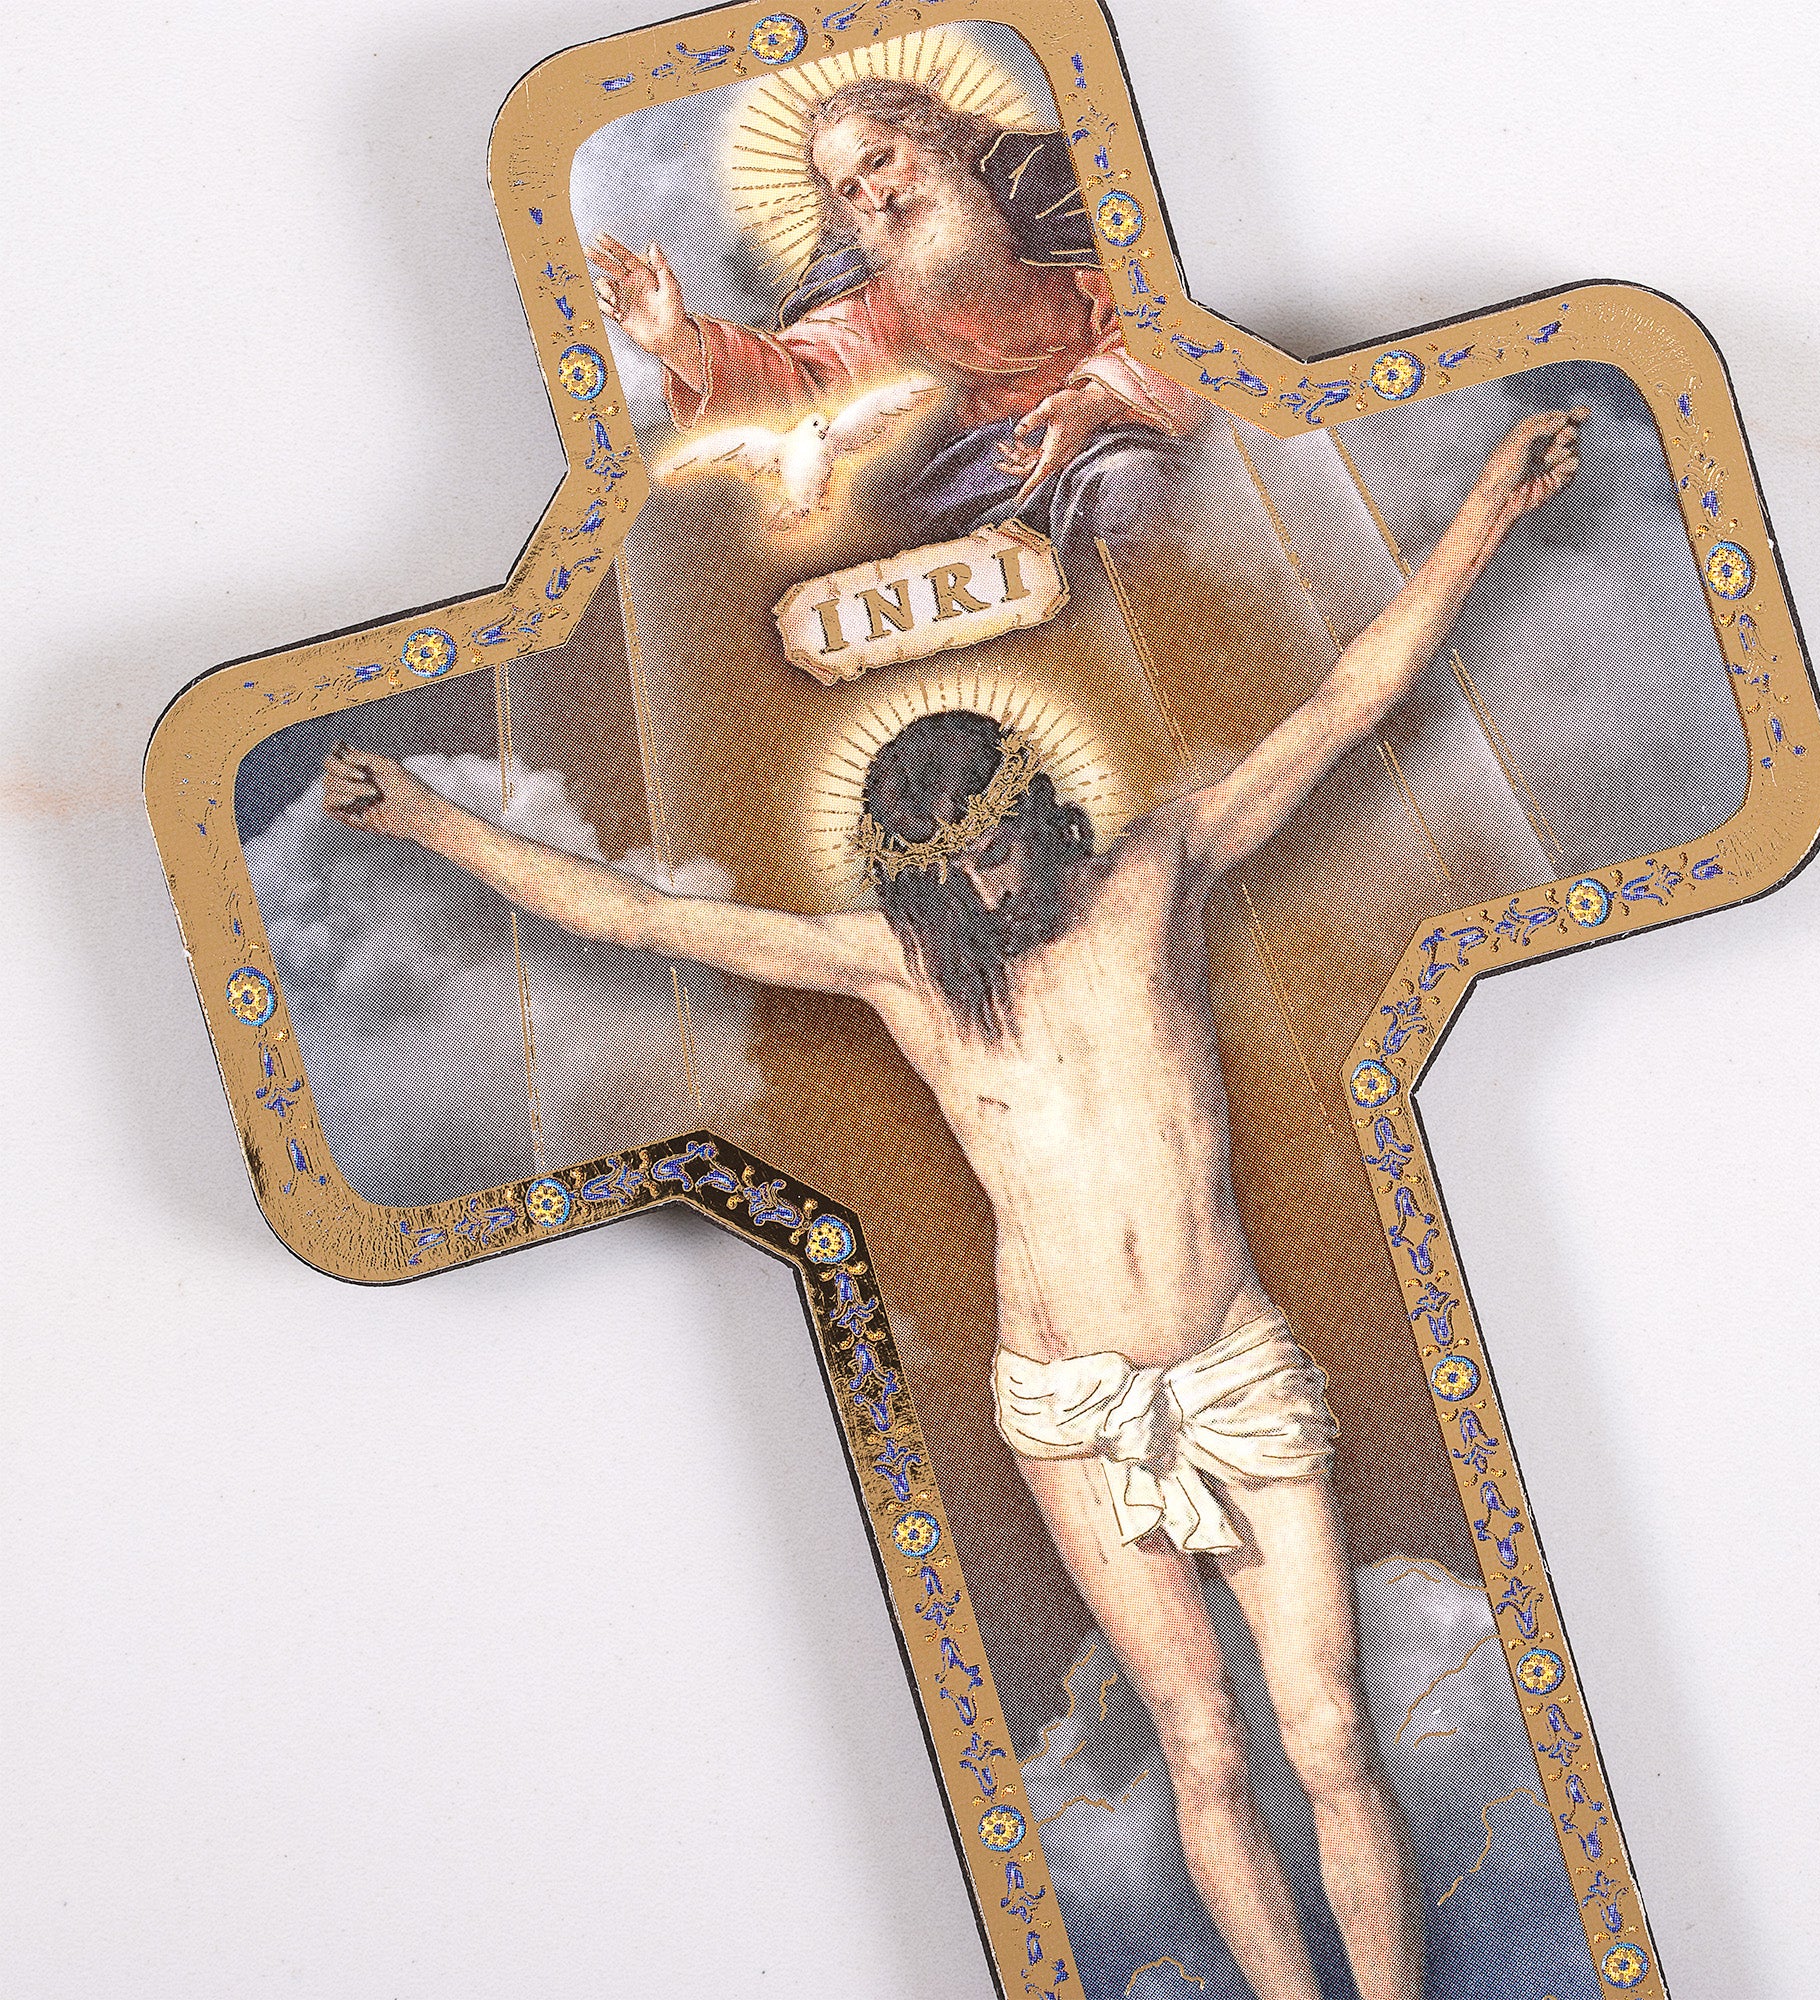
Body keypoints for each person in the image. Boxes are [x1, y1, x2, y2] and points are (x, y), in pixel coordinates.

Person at [323, 405, 1590, 2000]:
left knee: (1331, 1732)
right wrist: (427, 817)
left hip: (1229, 1362)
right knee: (1202, 1741)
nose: (993, 885)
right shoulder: (902, 972)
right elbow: (639, 921)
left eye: (1000, 845)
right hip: (1064, 1398)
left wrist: (1487, 510)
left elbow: (1348, 703)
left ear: (1033, 811)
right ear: (918, 875)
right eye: (958, 868)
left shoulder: (1156, 875)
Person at [586, 75, 1208, 549]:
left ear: (943, 140)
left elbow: (1186, 345)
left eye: (881, 160)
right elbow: (792, 384)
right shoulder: (870, 314)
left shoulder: (1083, 247)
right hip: (980, 508)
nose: (878, 197)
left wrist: (1096, 401)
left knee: (1128, 488)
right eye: (850, 191)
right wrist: (677, 342)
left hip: (1118, 472)